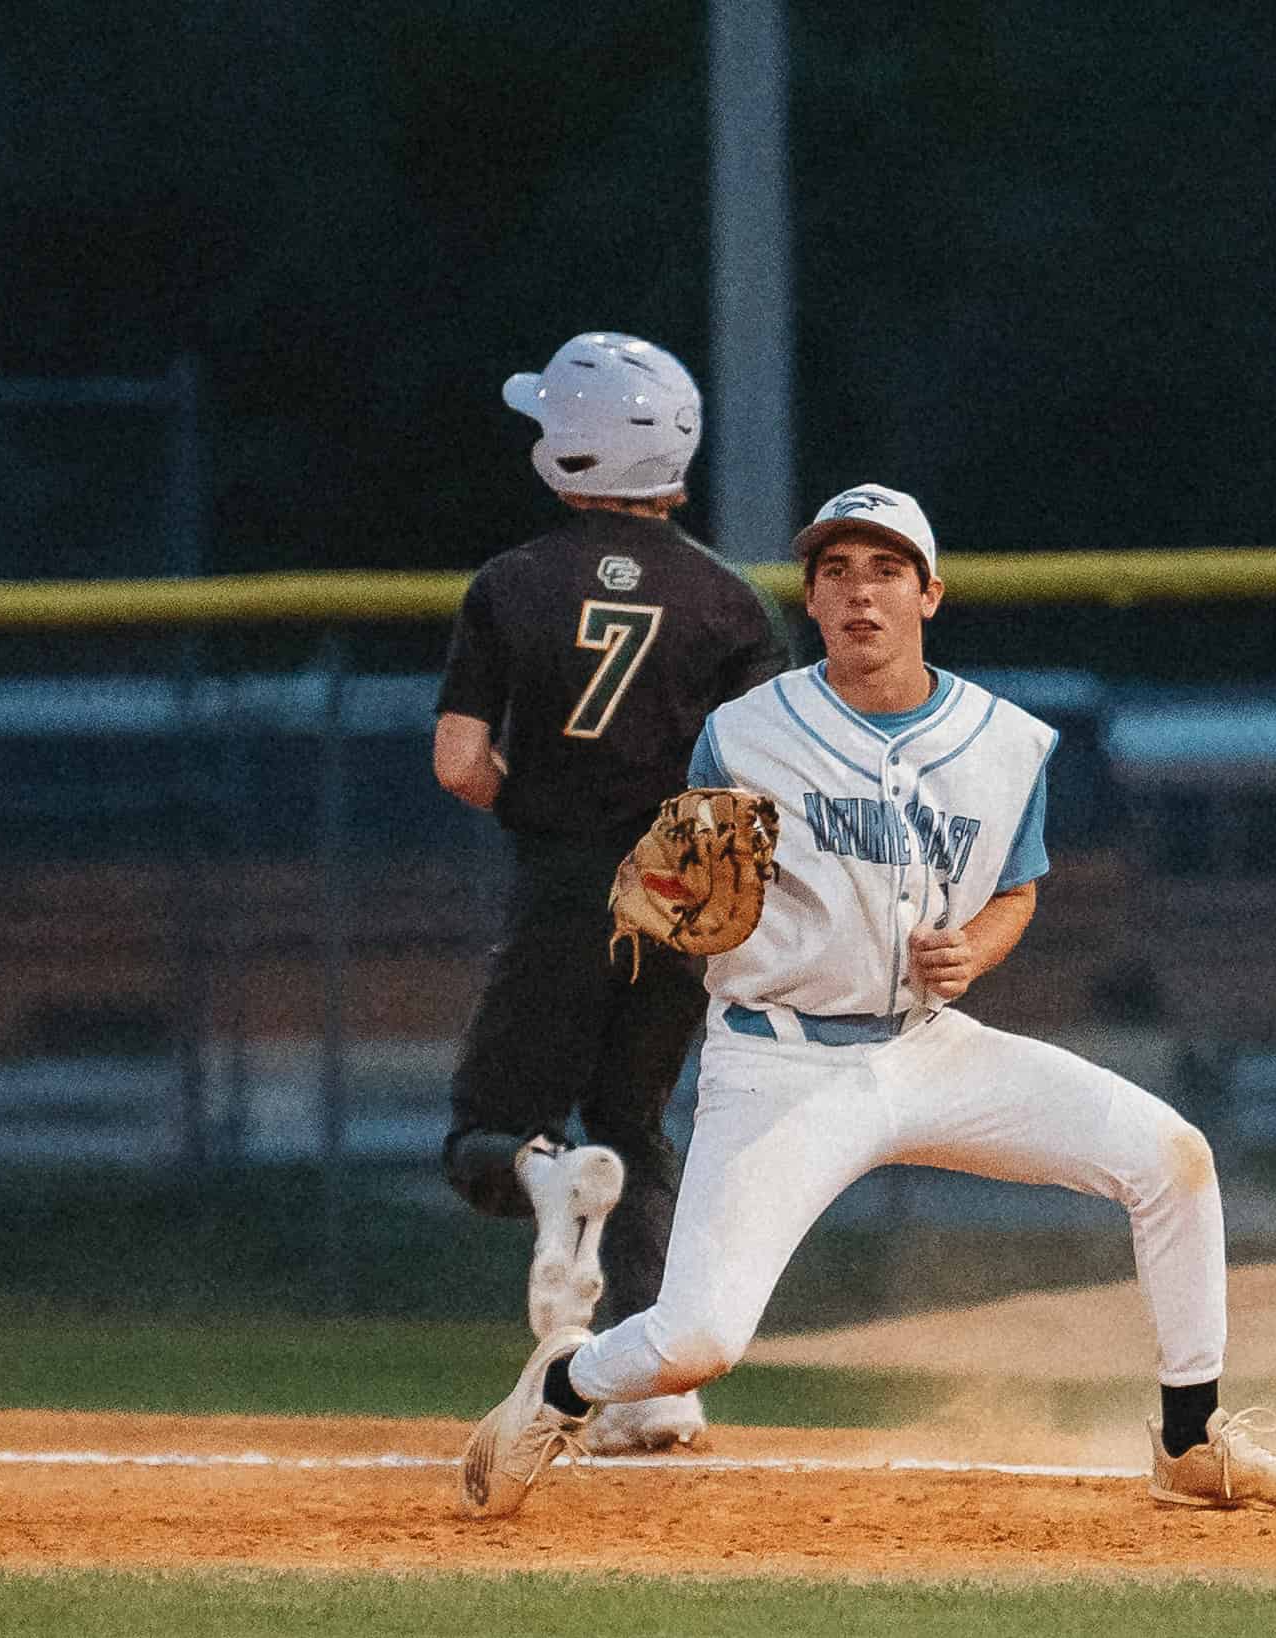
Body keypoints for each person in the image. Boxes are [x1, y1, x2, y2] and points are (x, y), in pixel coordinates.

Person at [458, 482, 1276, 1518]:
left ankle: (1191, 1440)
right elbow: (678, 898)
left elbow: (1015, 888)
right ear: (813, 602)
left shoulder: (1005, 744)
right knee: (697, 1343)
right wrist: (668, 899)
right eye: (835, 573)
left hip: (928, 1050)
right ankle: (563, 1383)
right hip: (777, 1062)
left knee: (1169, 1156)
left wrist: (974, 948)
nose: (858, 594)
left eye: (883, 571)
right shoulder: (746, 734)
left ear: (929, 594)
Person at [433, 331, 790, 1457]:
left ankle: (545, 1186)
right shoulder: (732, 606)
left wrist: (525, 801)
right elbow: (757, 782)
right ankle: (658, 1382)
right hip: (683, 892)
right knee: (635, 1120)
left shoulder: (509, 585)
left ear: (570, 450)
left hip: (561, 881)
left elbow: (458, 763)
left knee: (490, 1136)